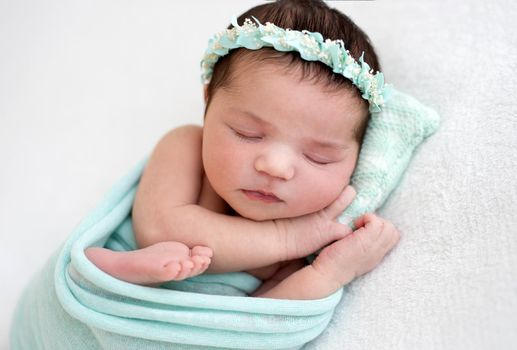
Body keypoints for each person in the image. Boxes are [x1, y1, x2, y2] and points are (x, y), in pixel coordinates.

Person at [85, 0, 400, 300]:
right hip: (116, 295)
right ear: (208, 100)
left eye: (318, 157)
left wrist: (330, 272)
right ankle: (117, 275)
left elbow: (263, 317)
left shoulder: (310, 236)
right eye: (247, 134)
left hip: (189, 331)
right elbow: (157, 229)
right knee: (97, 269)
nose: (275, 166)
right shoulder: (187, 147)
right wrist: (287, 237)